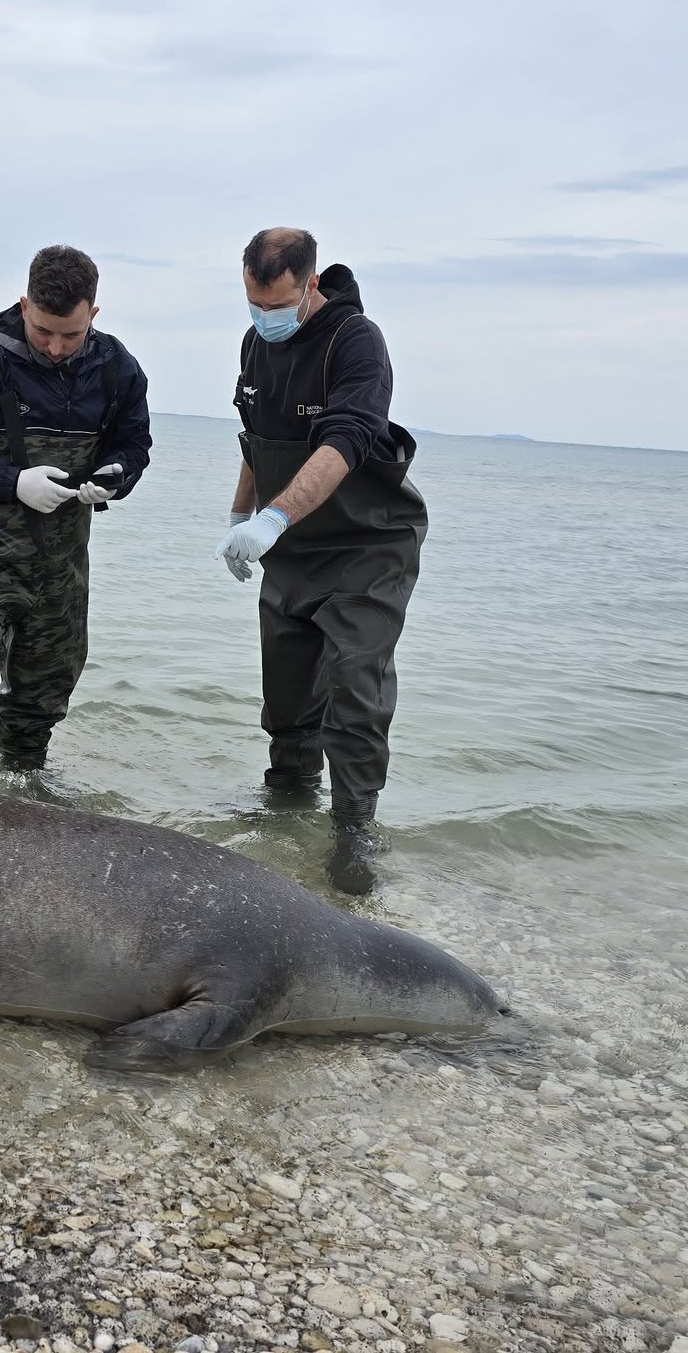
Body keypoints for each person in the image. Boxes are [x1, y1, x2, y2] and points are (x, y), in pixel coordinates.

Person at [215, 228, 428, 894]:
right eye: (253, 301)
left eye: (276, 303)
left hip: (368, 546)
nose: (263, 317)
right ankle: (283, 816)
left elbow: (345, 441)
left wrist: (275, 517)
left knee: (354, 692)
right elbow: (256, 439)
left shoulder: (354, 342)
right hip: (293, 550)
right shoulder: (256, 342)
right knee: (285, 703)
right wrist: (241, 515)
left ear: (310, 286)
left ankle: (353, 839)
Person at [0, 245, 152, 789]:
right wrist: (13, 482)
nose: (57, 346)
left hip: (60, 559)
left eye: (70, 333)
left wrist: (116, 475)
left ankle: (21, 805)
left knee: (46, 687)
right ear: (24, 306)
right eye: (44, 331)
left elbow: (135, 445)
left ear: (93, 313)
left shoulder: (117, 370)